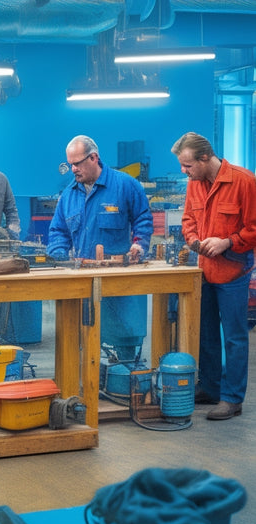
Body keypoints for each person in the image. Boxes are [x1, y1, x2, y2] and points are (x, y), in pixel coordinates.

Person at [172, 132, 256, 420]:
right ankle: (210, 387)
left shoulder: (244, 182)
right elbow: (188, 220)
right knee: (206, 333)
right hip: (204, 270)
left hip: (233, 269)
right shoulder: (194, 184)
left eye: (187, 166)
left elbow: (254, 227)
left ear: (205, 158)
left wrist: (227, 242)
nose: (184, 172)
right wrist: (194, 239)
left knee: (234, 337)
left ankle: (232, 399)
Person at [47, 135, 153, 360]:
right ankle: (87, 386)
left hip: (117, 282)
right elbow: (58, 231)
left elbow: (143, 219)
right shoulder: (68, 195)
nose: (72, 169)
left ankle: (122, 381)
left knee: (123, 339)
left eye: (77, 163)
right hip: (83, 280)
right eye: (70, 164)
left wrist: (139, 245)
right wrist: (59, 255)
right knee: (84, 339)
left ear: (94, 158)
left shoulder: (125, 185)